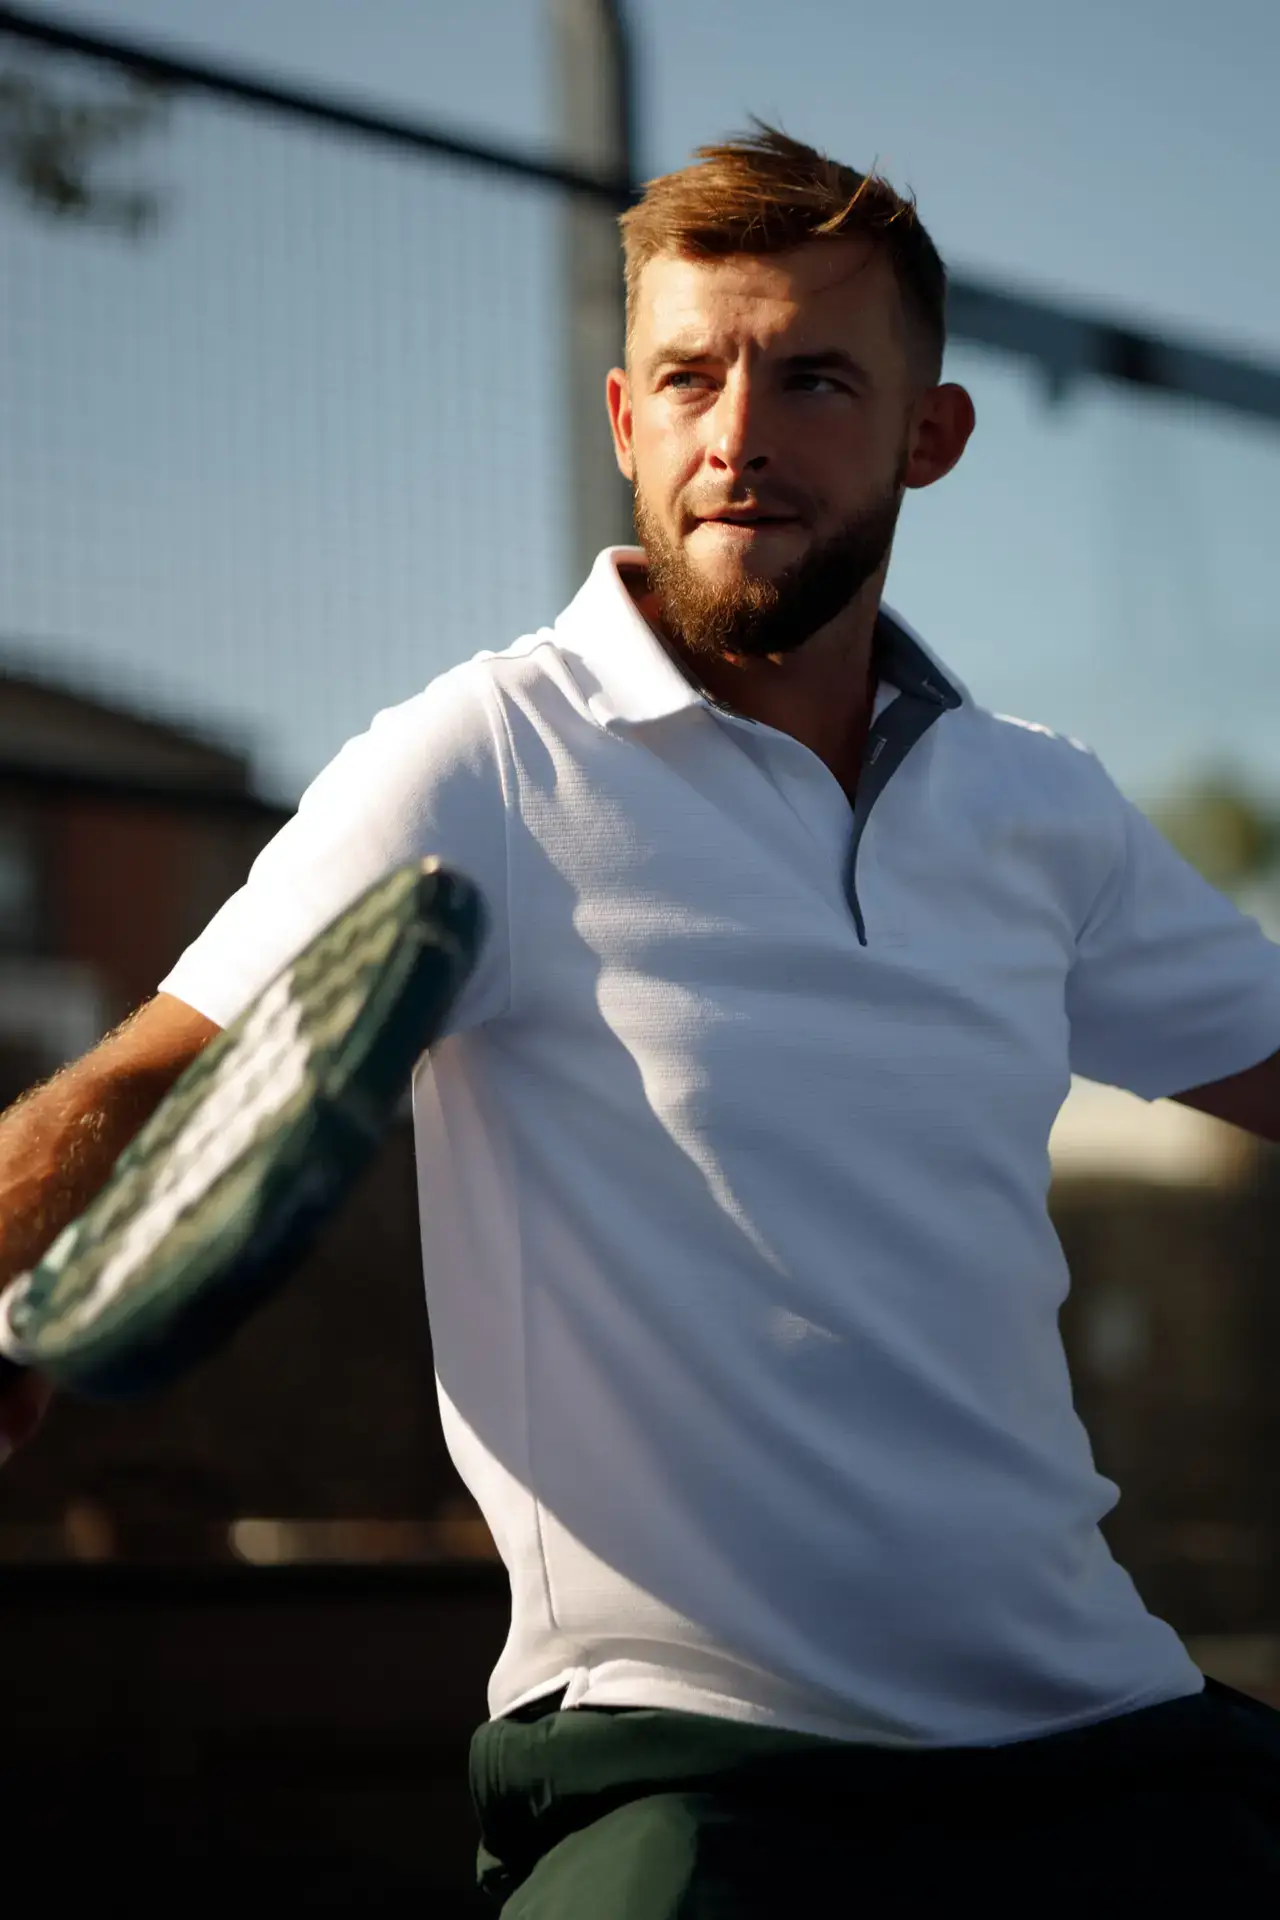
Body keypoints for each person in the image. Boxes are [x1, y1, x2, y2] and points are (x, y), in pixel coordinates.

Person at [4, 122, 1280, 1909]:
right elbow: (152, 1072)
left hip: (1097, 1738)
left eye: (814, 378)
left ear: (933, 436)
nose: (737, 436)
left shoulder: (1035, 805)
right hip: (691, 1766)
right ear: (626, 421)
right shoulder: (483, 760)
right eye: (689, 377)